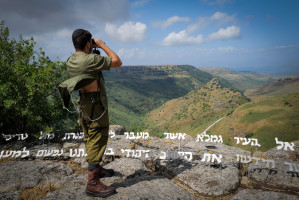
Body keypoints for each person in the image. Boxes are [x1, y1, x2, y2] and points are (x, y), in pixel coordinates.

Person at [58, 29, 122, 198]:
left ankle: (97, 167)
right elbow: (117, 61)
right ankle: (92, 183)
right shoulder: (91, 59)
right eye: (90, 43)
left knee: (89, 135)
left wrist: (89, 47)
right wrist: (101, 44)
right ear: (88, 43)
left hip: (84, 102)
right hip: (96, 104)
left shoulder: (71, 60)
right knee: (97, 136)